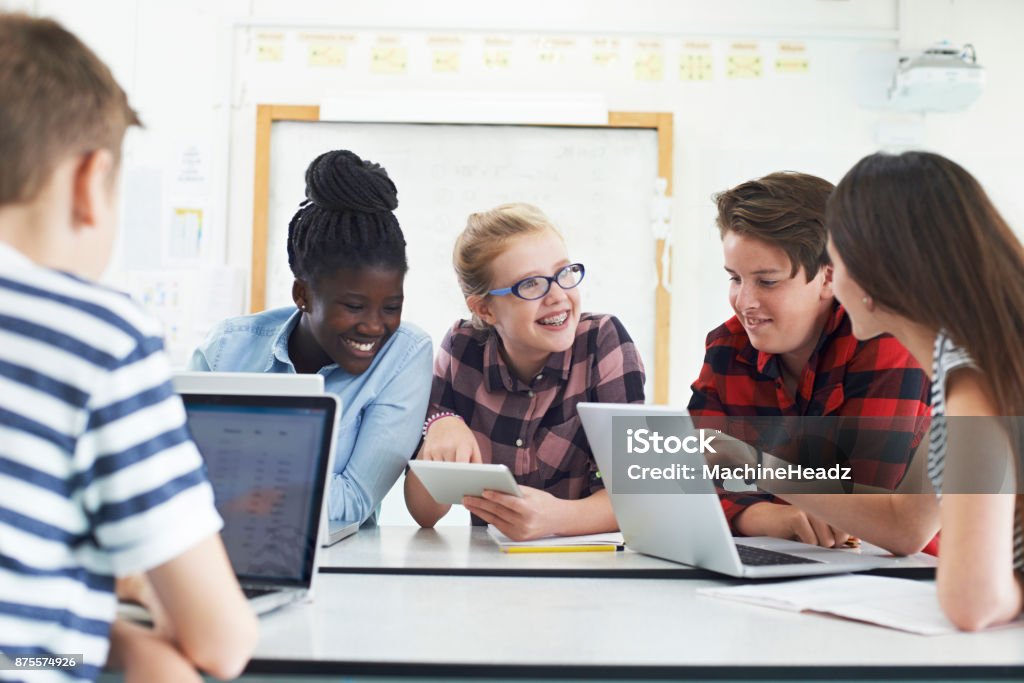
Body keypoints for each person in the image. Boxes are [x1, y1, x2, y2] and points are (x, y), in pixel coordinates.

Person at [0, 12, 257, 682]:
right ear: (90, 182)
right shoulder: (94, 334)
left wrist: (104, 638)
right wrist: (117, 637)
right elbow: (220, 640)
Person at [823, 151, 1023, 630]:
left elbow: (972, 602)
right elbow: (908, 522)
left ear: (871, 273)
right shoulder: (979, 358)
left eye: (833, 262)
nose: (832, 286)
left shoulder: (970, 383)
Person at [687, 172, 932, 548]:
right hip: (782, 558)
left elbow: (870, 517)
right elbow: (679, 478)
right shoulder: (727, 346)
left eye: (767, 282)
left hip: (892, 573)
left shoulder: (885, 343)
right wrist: (757, 516)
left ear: (828, 278)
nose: (744, 302)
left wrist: (749, 464)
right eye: (735, 278)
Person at [189, 149, 431, 525]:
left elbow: (353, 499)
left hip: (339, 568)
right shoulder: (227, 349)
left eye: (390, 306)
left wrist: (230, 478)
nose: (373, 326)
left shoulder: (404, 355)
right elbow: (172, 474)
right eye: (353, 306)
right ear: (302, 295)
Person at [403, 203, 645, 540]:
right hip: (492, 570)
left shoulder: (603, 341)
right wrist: (438, 426)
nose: (558, 295)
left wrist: (558, 519)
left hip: (589, 567)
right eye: (530, 285)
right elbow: (425, 514)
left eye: (564, 273)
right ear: (485, 309)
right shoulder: (461, 347)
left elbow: (641, 497)